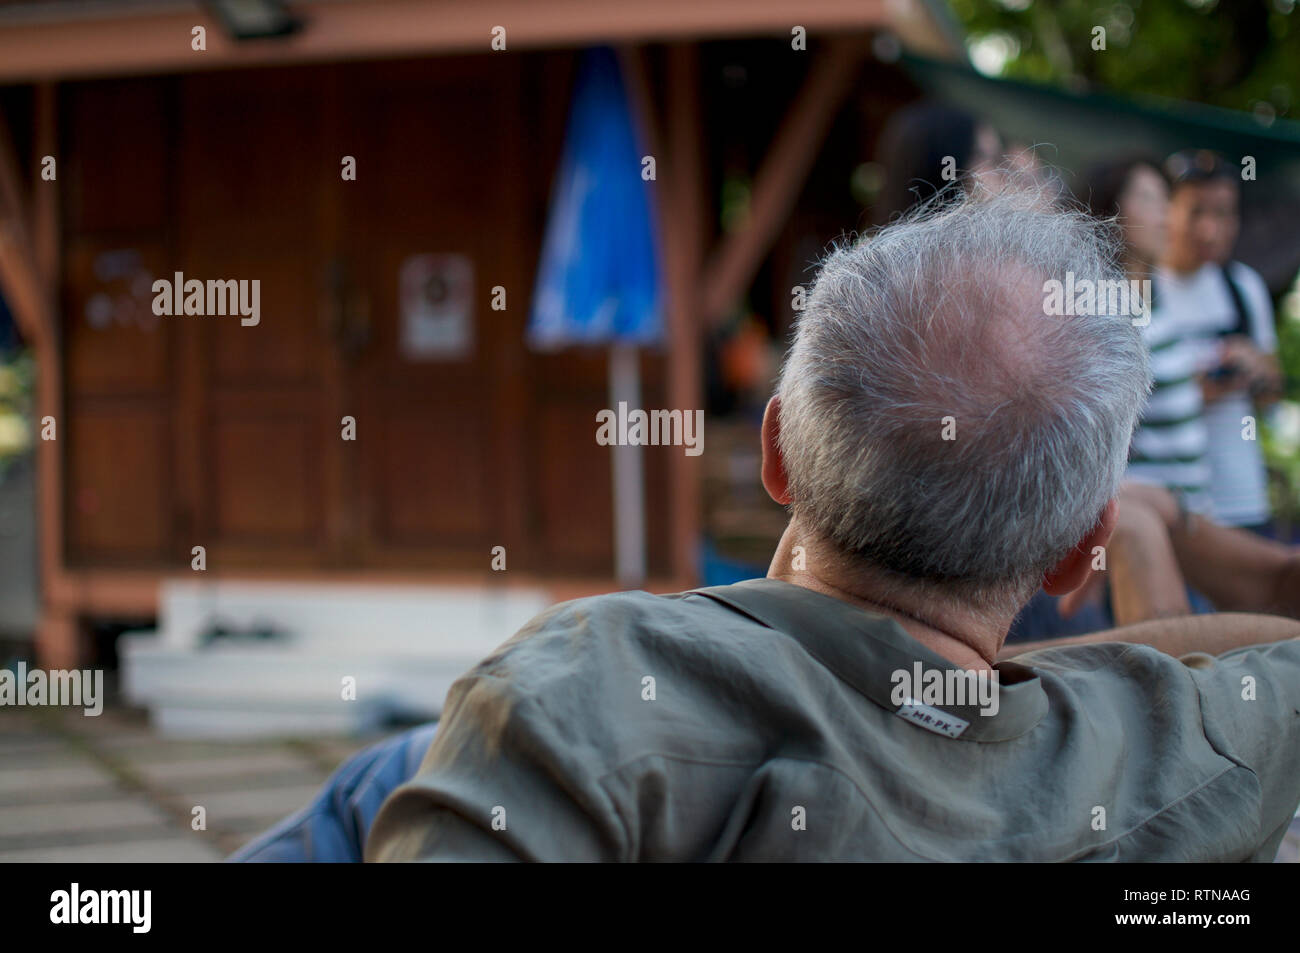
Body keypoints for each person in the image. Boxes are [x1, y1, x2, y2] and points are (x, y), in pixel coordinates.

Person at [367, 179, 1300, 862]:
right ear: (1077, 557)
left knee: (369, 783)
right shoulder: (1162, 763)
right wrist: (966, 680)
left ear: (777, 450)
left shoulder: (585, 685)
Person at [1157, 149, 1283, 532]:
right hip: (1168, 508)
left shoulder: (1243, 287)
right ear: (1168, 211)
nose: (1211, 230)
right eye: (1196, 212)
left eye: (1224, 214)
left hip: (1243, 501)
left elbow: (1272, 398)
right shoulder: (1142, 290)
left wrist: (1255, 367)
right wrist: (1188, 391)